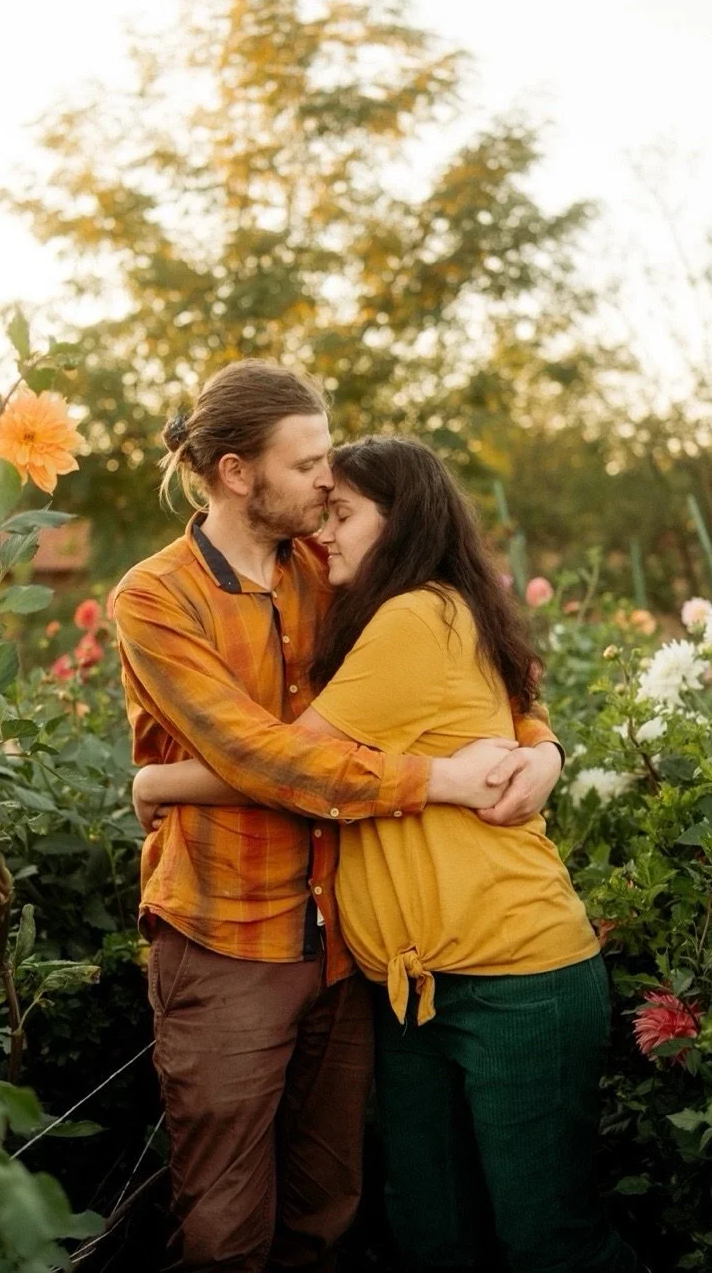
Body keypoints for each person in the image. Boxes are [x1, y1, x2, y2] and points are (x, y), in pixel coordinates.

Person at [133, 435, 638, 1272]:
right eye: (322, 505)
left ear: (402, 525)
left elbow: (289, 758)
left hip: (511, 972)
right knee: (436, 1233)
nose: (323, 529)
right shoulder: (373, 604)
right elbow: (516, 707)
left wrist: (160, 786)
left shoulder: (414, 616)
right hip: (413, 988)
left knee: (550, 1242)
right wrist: (537, 751)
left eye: (344, 514)